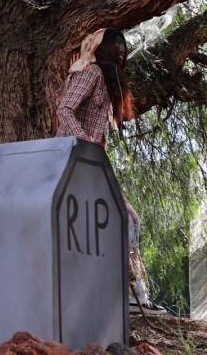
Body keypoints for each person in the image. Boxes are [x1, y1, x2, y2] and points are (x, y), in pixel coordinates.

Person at [57, 28, 164, 314]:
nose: (121, 50)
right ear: (98, 48)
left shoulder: (107, 81)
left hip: (93, 164)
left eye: (124, 47)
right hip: (72, 160)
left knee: (126, 218)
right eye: (115, 44)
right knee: (114, 219)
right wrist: (87, 144)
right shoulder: (90, 73)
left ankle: (131, 295)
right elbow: (64, 109)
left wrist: (95, 151)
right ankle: (126, 296)